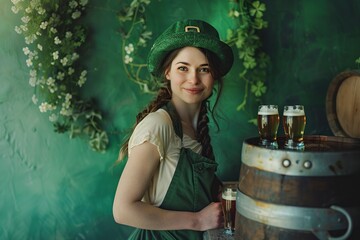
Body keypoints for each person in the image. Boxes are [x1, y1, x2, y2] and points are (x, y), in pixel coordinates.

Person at [113, 19, 234, 239]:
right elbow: (123, 210)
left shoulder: (196, 130)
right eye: (183, 68)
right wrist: (197, 221)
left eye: (203, 69)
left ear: (214, 75)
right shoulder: (159, 125)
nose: (193, 79)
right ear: (167, 72)